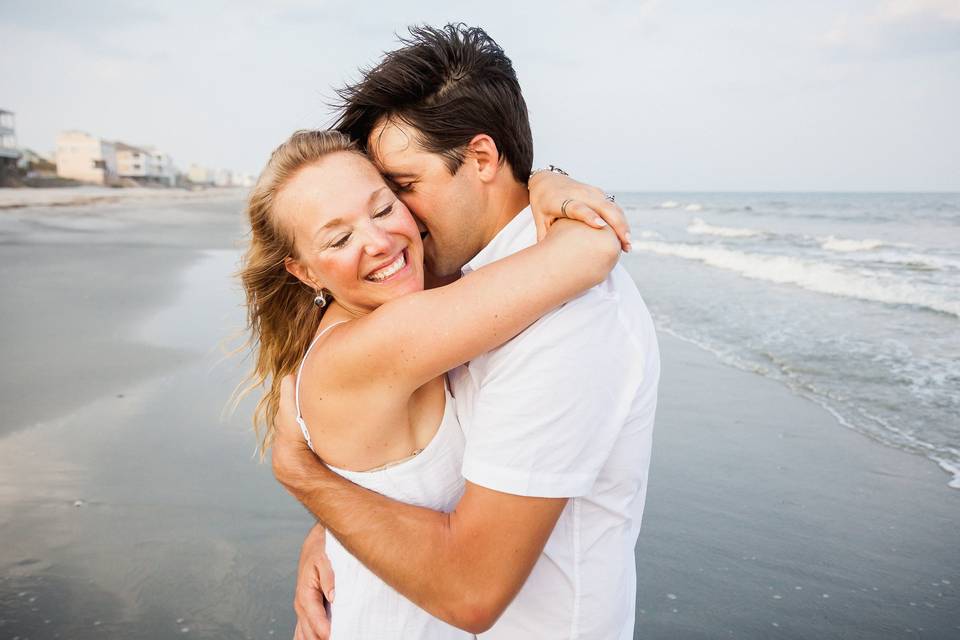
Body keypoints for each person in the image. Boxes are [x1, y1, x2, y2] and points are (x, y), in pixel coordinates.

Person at [270, 24, 660, 639]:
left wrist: (309, 480)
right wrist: (333, 528)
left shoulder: (568, 321)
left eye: (397, 191)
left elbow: (471, 589)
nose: (396, 226)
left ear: (481, 158)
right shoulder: (451, 291)